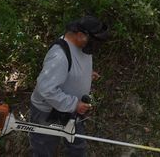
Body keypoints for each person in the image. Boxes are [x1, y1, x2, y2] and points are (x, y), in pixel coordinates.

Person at [30, 15, 109, 157]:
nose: (94, 45)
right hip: (48, 112)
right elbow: (46, 89)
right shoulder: (59, 55)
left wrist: (86, 74)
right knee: (44, 149)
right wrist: (74, 104)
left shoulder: (82, 46)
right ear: (79, 35)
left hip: (70, 110)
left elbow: (73, 66)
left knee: (77, 145)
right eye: (93, 41)